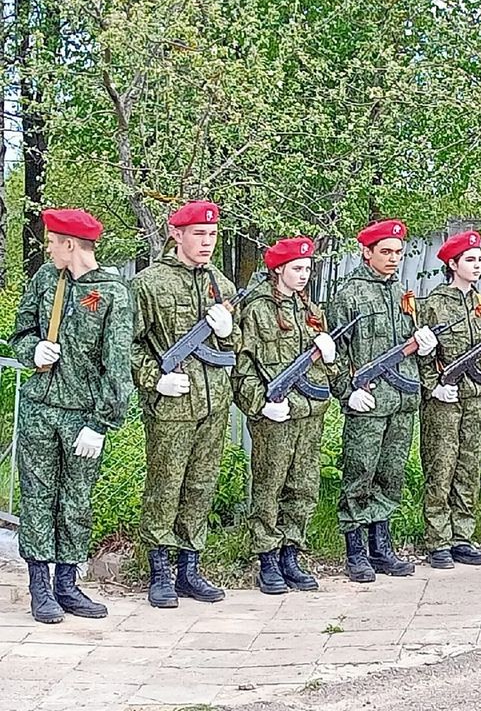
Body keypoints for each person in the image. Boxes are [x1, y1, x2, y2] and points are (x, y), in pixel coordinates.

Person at [11, 209, 133, 623]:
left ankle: (67, 582)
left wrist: (101, 424)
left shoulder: (113, 292)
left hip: (83, 415)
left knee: (76, 501)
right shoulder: (47, 279)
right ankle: (40, 587)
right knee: (37, 497)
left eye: (51, 241)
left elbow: (117, 365)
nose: (47, 248)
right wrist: (32, 351)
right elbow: (20, 332)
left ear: (70, 244)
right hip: (41, 409)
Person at [132, 200, 239, 608]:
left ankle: (190, 568)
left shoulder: (223, 286)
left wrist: (228, 332)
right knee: (166, 486)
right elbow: (130, 344)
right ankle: (160, 572)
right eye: (199, 234)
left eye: (212, 235)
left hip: (214, 401)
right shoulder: (149, 283)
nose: (207, 242)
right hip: (172, 404)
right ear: (177, 234)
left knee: (201, 485)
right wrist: (155, 378)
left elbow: (237, 346)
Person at [329, 219, 438, 581]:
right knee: (359, 473)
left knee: (391, 474)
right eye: (386, 252)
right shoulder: (349, 295)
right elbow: (335, 352)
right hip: (369, 402)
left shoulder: (400, 293)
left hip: (401, 399)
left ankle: (382, 545)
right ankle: (356, 550)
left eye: (398, 253)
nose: (393, 259)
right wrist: (347, 390)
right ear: (367, 252)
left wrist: (422, 343)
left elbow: (409, 343)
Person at [233, 237, 337, 593]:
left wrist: (330, 358)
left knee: (304, 486)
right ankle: (267, 558)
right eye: (297, 268)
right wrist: (258, 403)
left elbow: (328, 370)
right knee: (269, 485)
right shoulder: (257, 310)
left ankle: (292, 552)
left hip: (310, 413)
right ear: (278, 270)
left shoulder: (311, 310)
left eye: (308, 269)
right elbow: (242, 366)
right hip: (275, 414)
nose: (304, 275)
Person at [418, 231, 481, 570]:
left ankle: (462, 535)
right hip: (445, 399)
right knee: (441, 466)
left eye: (479, 259)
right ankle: (437, 540)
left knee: (469, 466)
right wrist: (433, 386)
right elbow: (424, 354)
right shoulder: (434, 303)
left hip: (476, 396)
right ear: (452, 264)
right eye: (470, 260)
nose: (477, 265)